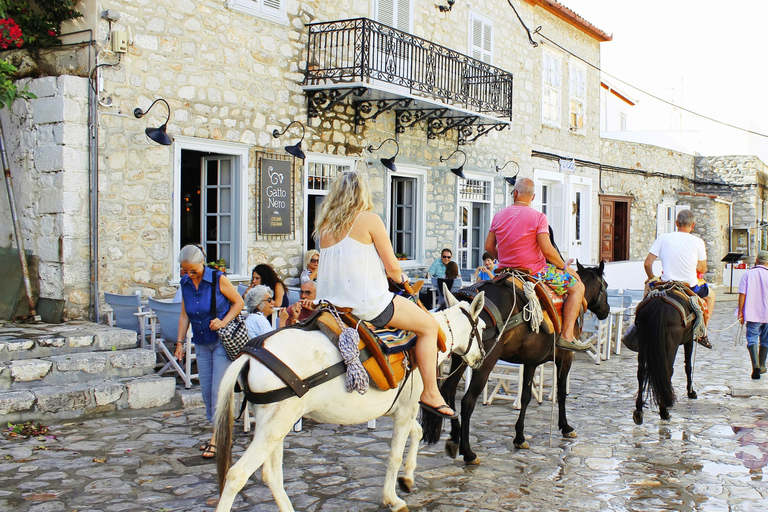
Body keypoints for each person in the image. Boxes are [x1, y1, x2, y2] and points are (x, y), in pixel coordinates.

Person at [315, 171, 457, 419]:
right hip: (367, 304)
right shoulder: (369, 219)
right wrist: (401, 278)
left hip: (331, 306)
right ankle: (431, 393)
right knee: (428, 327)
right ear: (363, 194)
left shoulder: (325, 226)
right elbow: (392, 268)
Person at [484, 177, 590, 352]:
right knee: (578, 287)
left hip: (505, 270)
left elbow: (488, 246)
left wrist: (503, 258)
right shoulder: (539, 217)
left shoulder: (499, 215)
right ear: (532, 198)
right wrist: (566, 267)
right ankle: (567, 337)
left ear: (515, 193)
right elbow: (547, 250)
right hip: (536, 270)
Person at [174, 244, 244, 459]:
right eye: (185, 271)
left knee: (219, 390)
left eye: (193, 270)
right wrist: (179, 343)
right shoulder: (185, 283)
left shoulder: (218, 279)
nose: (190, 275)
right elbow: (185, 315)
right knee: (205, 391)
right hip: (202, 341)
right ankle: (223, 433)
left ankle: (218, 438)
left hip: (221, 341)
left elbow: (239, 302)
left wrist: (223, 321)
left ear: (201, 262)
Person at [643, 209, 716, 348]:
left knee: (647, 287)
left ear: (676, 223)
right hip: (690, 285)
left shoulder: (663, 238)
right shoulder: (698, 241)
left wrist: (651, 277)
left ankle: (639, 325)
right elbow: (702, 269)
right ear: (693, 225)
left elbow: (647, 263)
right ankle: (702, 332)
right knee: (711, 296)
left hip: (666, 283)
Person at [737, 250, 768, 379]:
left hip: (752, 313)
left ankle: (754, 364)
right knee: (766, 341)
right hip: (767, 314)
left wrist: (740, 311)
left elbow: (742, 293)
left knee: (752, 338)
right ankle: (761, 365)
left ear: (756, 261)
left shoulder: (748, 274)